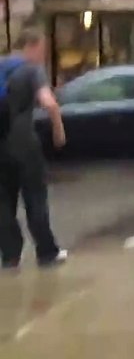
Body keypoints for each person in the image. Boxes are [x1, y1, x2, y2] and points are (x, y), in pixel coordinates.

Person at [0, 28, 68, 269]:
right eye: (42, 50)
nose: (43, 55)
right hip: (25, 145)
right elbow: (49, 103)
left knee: (3, 203)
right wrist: (59, 131)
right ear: (31, 46)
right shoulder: (31, 70)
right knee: (35, 199)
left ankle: (10, 255)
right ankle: (47, 252)